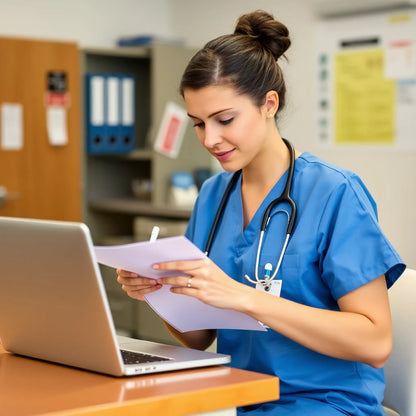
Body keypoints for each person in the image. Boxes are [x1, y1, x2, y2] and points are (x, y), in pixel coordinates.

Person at [117, 10, 405, 416]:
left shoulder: (334, 192)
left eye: (225, 119)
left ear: (269, 104)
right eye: (198, 124)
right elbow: (198, 338)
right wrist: (158, 293)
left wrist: (245, 298)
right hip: (238, 398)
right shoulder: (214, 195)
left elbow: (375, 344)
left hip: (323, 403)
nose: (210, 139)